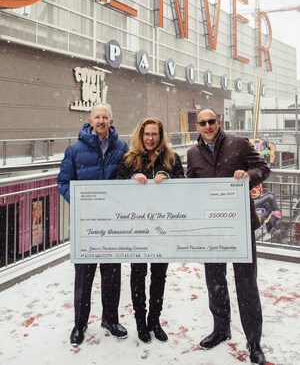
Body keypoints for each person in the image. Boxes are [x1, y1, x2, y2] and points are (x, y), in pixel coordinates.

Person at [187, 108, 270, 365]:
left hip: (239, 227)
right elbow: (191, 185)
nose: (208, 126)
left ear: (219, 122)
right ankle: (221, 329)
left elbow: (263, 168)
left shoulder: (239, 143)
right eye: (203, 123)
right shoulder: (192, 153)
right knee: (215, 281)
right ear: (197, 126)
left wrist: (249, 176)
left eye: (212, 121)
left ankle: (254, 341)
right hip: (211, 229)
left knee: (246, 284)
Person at [57, 102, 128, 346]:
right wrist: (81, 202)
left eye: (105, 117)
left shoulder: (122, 147)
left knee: (112, 274)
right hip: (86, 224)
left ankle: (110, 319)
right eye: (97, 117)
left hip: (112, 223)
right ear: (90, 120)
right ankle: (79, 325)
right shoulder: (74, 150)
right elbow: (63, 183)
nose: (100, 121)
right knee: (84, 277)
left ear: (111, 120)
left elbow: (128, 179)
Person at [116, 117, 184, 343]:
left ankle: (154, 320)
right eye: (146, 134)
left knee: (159, 276)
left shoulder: (172, 159)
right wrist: (131, 179)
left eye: (154, 134)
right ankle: (140, 322)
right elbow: (117, 187)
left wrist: (170, 178)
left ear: (161, 135)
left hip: (162, 228)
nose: (150, 138)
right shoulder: (129, 159)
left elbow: (183, 187)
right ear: (140, 135)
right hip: (137, 228)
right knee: (138, 274)